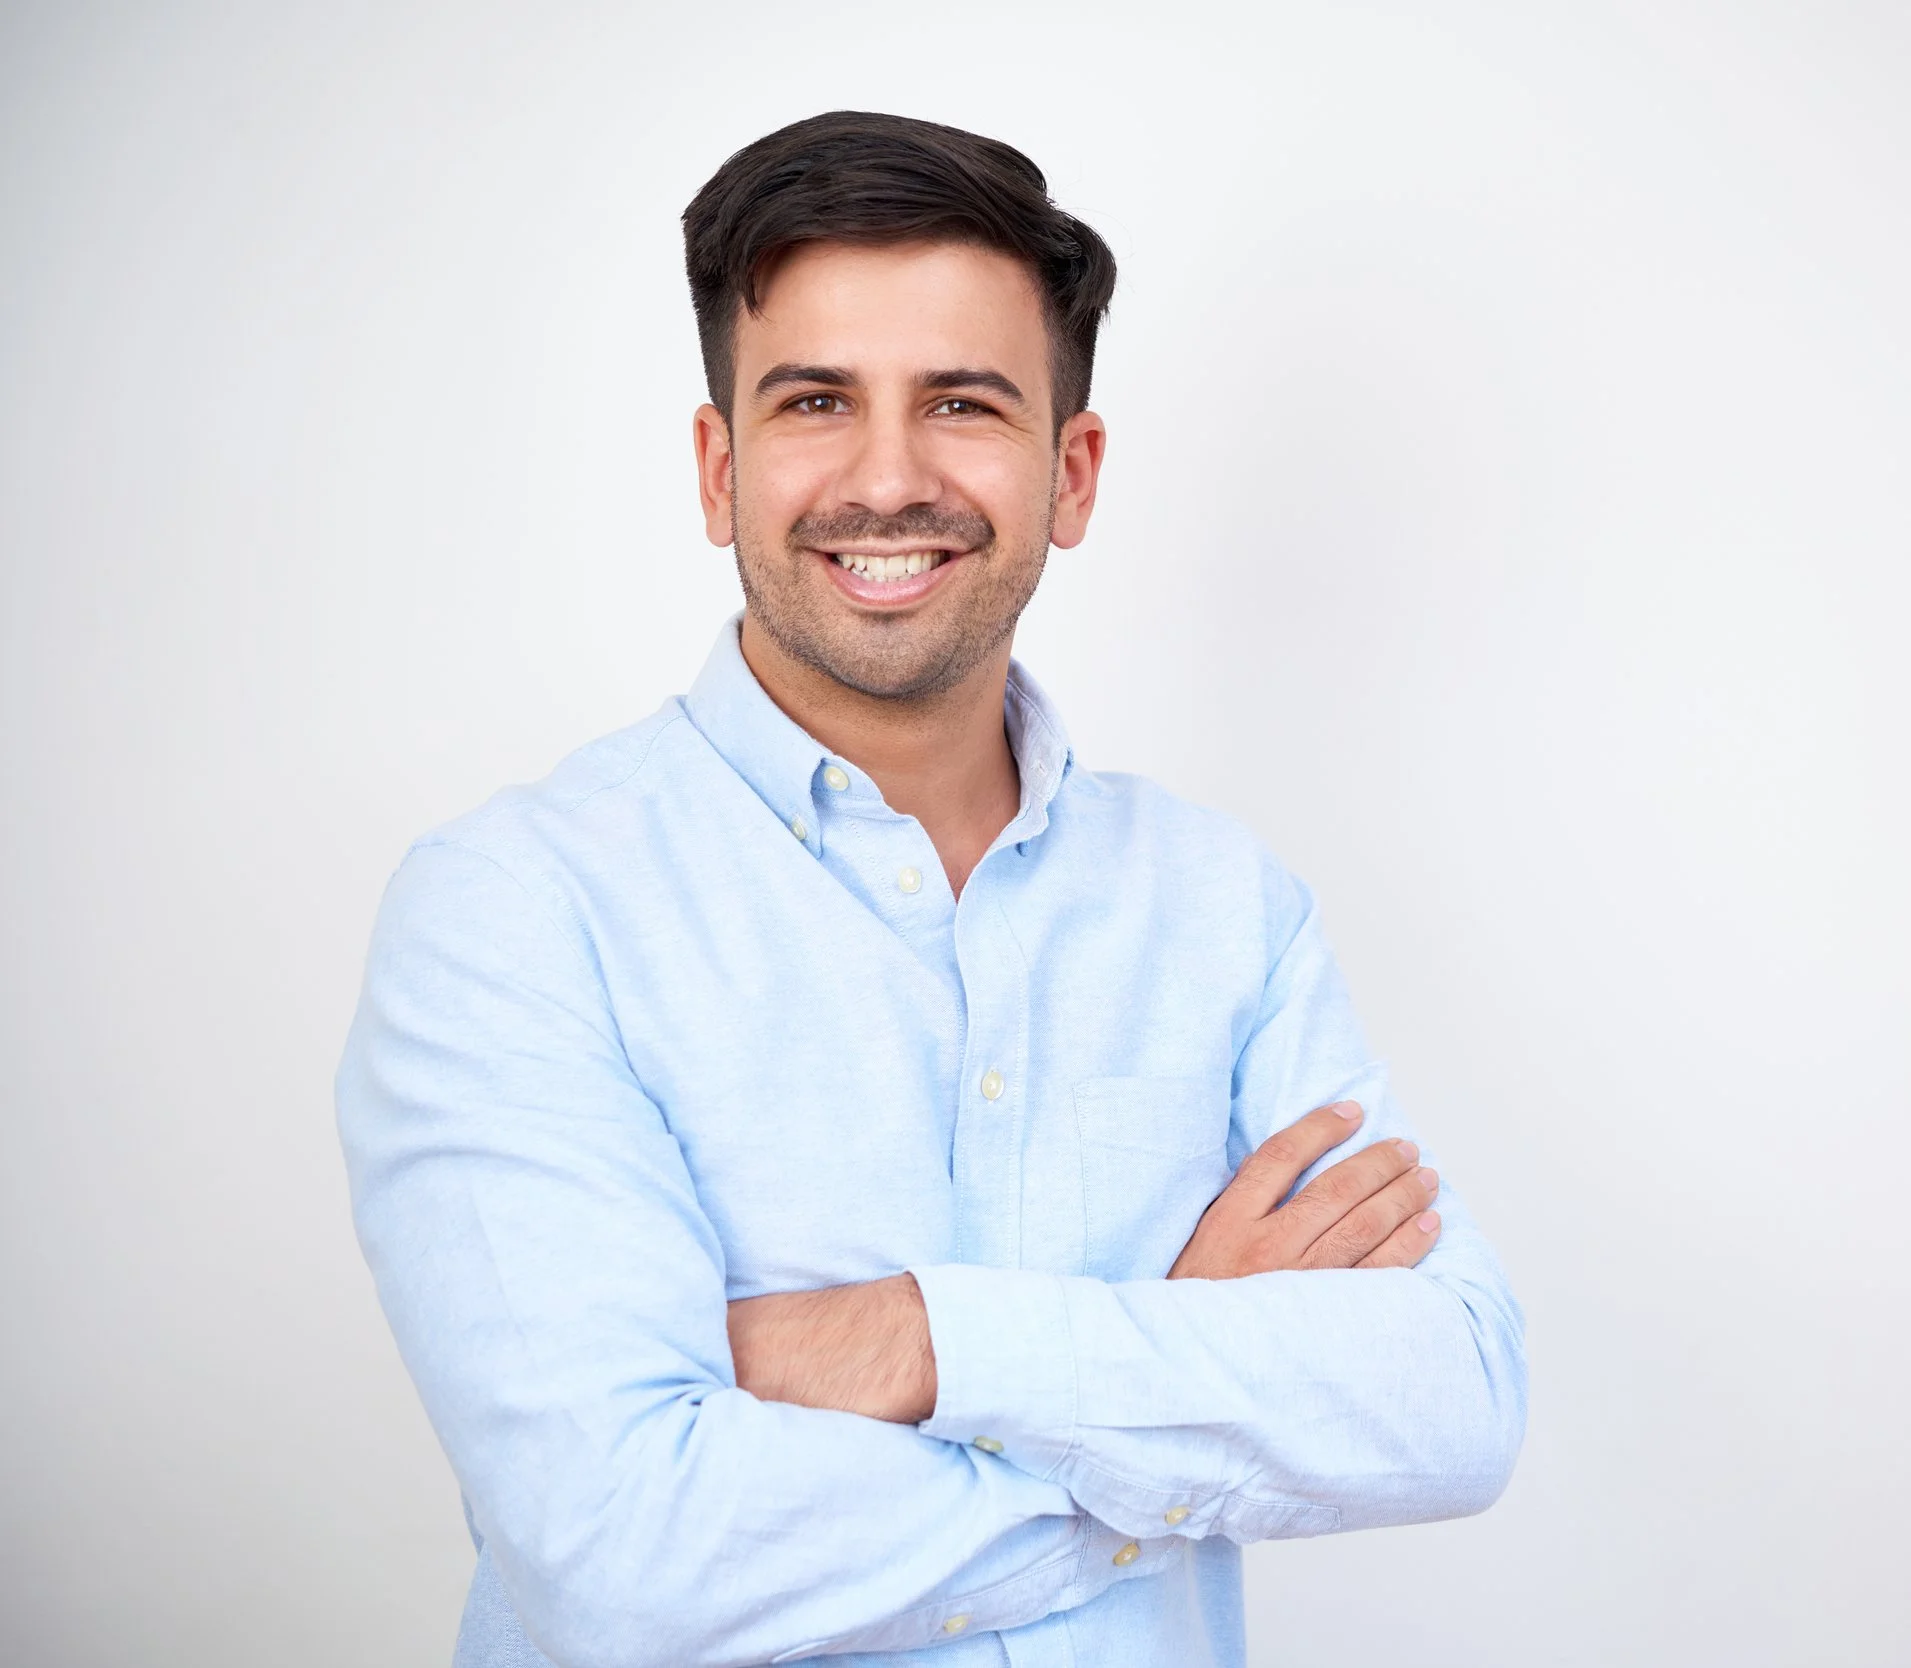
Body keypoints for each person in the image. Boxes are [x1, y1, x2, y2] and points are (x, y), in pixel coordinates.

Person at [337, 110, 1526, 1668]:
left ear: (1071, 470)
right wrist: (1171, 1401)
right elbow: (622, 1556)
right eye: (817, 400)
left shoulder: (1226, 909)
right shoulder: (513, 913)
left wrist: (917, 1340)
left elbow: (1450, 1398)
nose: (887, 479)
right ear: (721, 469)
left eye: (962, 402)